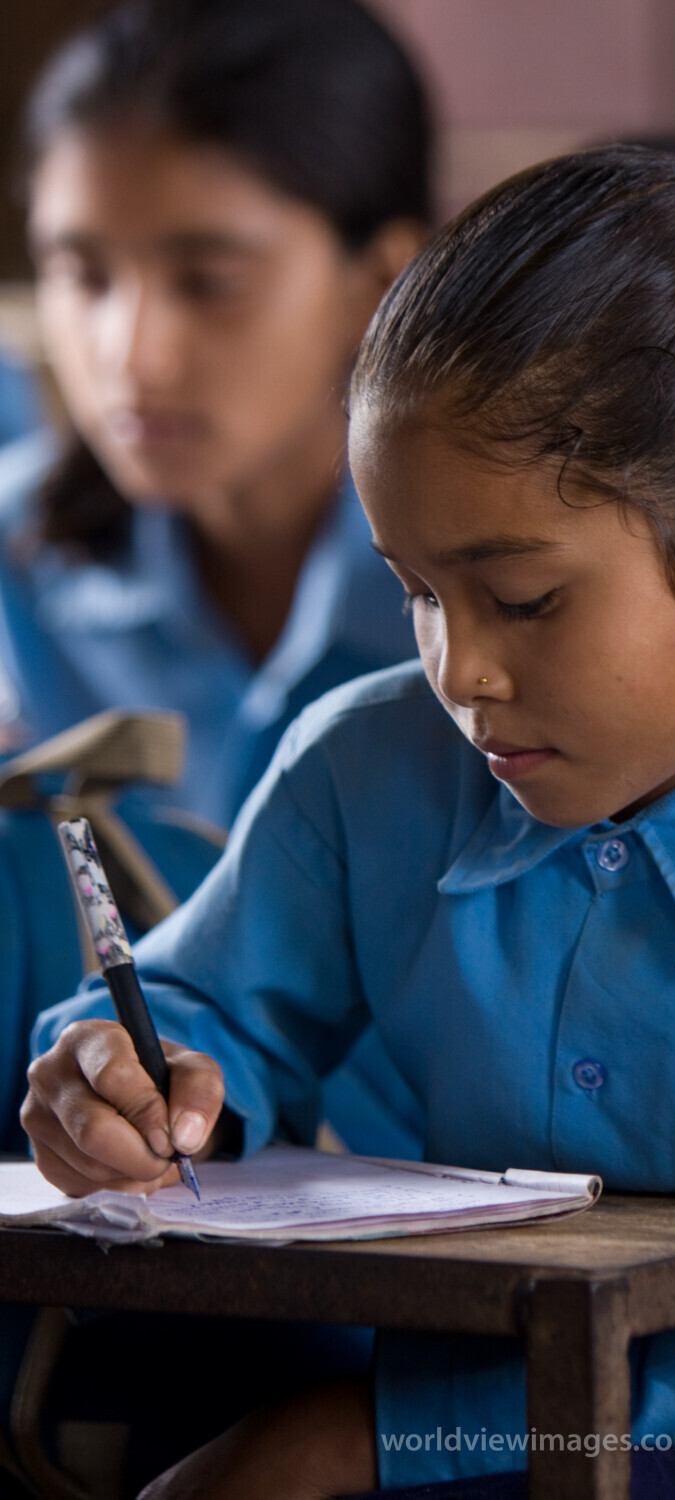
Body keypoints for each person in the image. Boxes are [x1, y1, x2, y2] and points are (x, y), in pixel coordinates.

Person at [24, 148, 675, 1499]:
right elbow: (204, 1008)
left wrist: (377, 1442)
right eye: (416, 593)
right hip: (463, 1396)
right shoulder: (370, 768)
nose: (459, 672)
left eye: (524, 600)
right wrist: (128, 1079)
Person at [0, 0, 432, 1160]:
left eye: (207, 280)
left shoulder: (498, 601)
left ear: (380, 276)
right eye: (81, 274)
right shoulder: (19, 560)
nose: (130, 354)